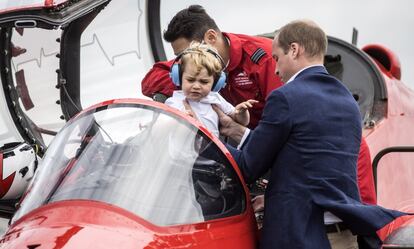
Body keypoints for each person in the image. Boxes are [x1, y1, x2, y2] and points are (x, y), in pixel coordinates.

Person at [214, 20, 406, 249]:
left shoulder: (284, 97)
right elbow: (308, 161)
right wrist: (239, 132)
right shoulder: (348, 102)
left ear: (294, 50)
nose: (275, 69)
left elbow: (248, 165)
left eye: (277, 58)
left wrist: (204, 135)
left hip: (302, 237)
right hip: (344, 237)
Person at [141, 5, 283, 128]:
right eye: (182, 56)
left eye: (187, 52)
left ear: (211, 38)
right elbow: (150, 81)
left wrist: (240, 133)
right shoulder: (194, 60)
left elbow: (281, 120)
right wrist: (193, 82)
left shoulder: (266, 59)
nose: (185, 59)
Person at [165, 42, 257, 138]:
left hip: (210, 151)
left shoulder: (215, 98)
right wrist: (182, 119)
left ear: (216, 83)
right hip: (184, 152)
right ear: (179, 77)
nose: (196, 86)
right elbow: (167, 128)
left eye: (204, 82)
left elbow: (242, 122)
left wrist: (242, 113)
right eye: (190, 80)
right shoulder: (174, 102)